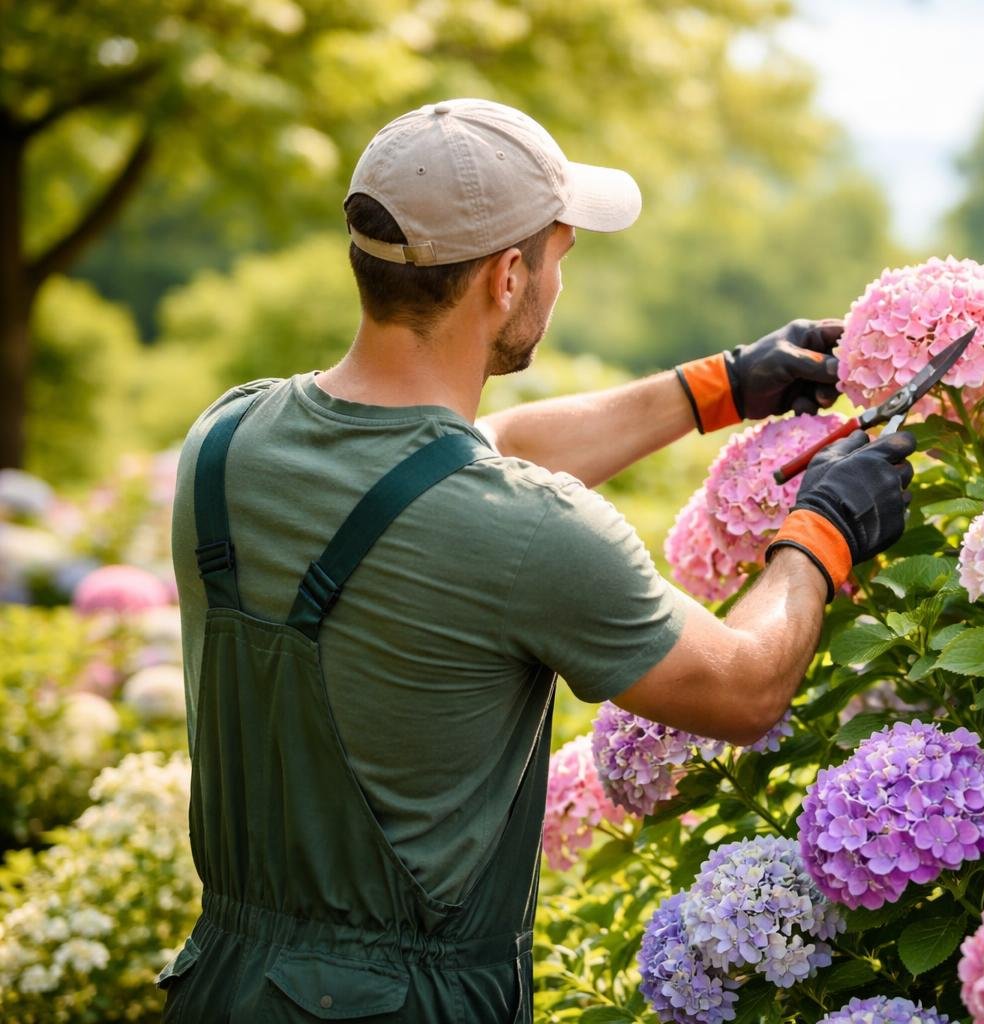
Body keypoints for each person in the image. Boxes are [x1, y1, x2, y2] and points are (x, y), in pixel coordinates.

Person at [157, 98, 915, 1022]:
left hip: (225, 983)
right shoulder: (526, 531)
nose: (561, 279)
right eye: (560, 255)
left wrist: (715, 388)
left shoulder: (227, 439)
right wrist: (823, 529)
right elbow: (745, 689)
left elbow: (471, 452)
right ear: (507, 278)